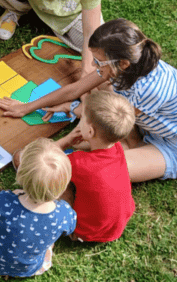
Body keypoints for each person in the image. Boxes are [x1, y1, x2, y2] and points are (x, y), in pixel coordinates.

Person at [0, 18, 177, 183]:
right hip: (139, 124)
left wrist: (60, 141)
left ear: (123, 63)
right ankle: (127, 144)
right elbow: (77, 88)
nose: (93, 66)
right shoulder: (128, 66)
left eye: (98, 61)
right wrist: (27, 107)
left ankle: (120, 148)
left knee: (103, 171)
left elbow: (100, 122)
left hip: (175, 148)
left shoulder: (146, 90)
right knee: (98, 91)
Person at [14, 91, 136, 243]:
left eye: (82, 118)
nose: (79, 121)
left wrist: (65, 141)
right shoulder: (117, 148)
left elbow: (40, 161)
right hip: (115, 228)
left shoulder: (79, 162)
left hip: (84, 231)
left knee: (23, 159)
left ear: (90, 131)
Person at [0, 138, 76, 278]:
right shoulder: (64, 213)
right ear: (64, 187)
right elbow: (68, 229)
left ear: (20, 175)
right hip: (27, 269)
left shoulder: (5, 201)